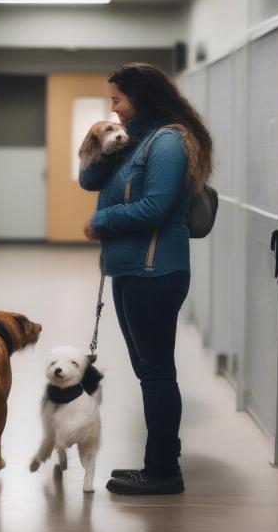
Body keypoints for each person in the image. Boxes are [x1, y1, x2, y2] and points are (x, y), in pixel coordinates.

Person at [79, 62, 212, 495]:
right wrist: (101, 145)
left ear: (142, 96)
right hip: (130, 270)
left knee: (156, 373)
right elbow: (89, 179)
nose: (113, 108)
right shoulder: (134, 140)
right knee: (148, 370)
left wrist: (103, 220)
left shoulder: (170, 142)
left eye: (118, 99)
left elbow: (154, 206)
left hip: (156, 271)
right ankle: (161, 457)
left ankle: (161, 473)